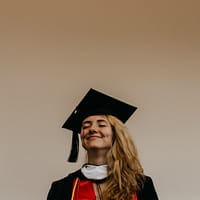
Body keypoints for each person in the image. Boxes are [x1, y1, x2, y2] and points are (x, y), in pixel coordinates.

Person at [47, 88, 159, 200]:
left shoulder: (140, 185)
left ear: (116, 134)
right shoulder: (62, 188)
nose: (92, 129)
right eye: (86, 126)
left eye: (101, 125)